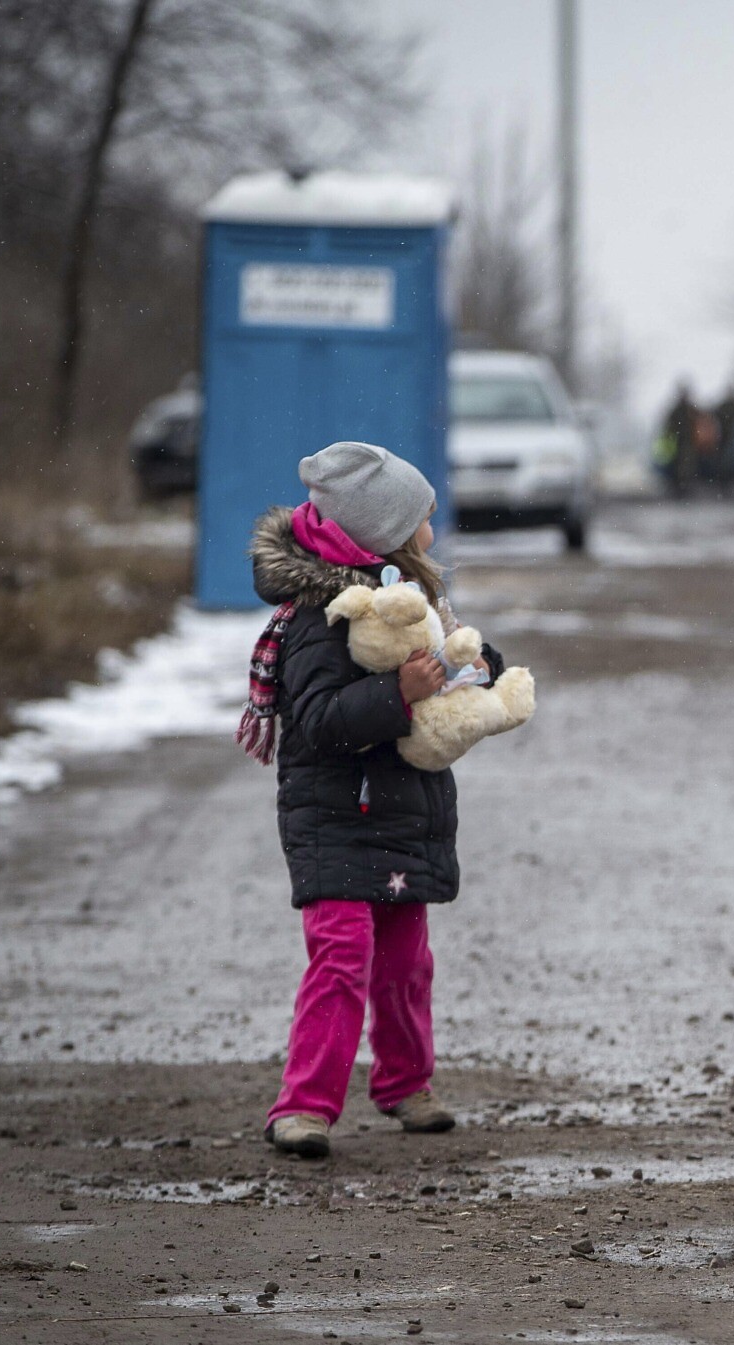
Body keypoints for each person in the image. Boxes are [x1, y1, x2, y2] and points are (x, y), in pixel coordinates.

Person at [242, 441, 507, 1158]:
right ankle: (303, 1106)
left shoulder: (413, 601)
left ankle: (406, 1083)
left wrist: (483, 666)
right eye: (421, 516)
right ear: (380, 531)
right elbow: (321, 720)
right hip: (334, 816)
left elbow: (453, 654)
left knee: (406, 959)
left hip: (400, 814)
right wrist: (399, 695)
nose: (432, 526)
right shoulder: (321, 616)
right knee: (342, 956)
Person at [655, 383, 702, 498]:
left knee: (686, 467)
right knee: (681, 467)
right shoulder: (682, 410)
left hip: (686, 444)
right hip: (680, 444)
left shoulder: (688, 410)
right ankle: (681, 488)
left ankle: (683, 488)